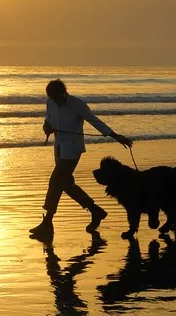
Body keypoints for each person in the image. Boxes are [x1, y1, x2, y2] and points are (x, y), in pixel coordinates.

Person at [29, 78, 133, 239]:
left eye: (57, 98)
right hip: (59, 149)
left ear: (64, 93)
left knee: (56, 182)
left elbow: (96, 122)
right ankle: (95, 211)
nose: (55, 101)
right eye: (52, 98)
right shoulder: (50, 102)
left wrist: (116, 136)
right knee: (66, 184)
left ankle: (47, 223)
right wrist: (46, 127)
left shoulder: (78, 104)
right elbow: (47, 120)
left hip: (72, 150)